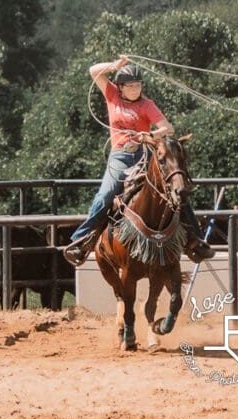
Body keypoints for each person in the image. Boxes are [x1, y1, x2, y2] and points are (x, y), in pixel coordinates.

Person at [63, 55, 214, 266]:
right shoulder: (112, 95)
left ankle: (195, 239)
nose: (135, 89)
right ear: (121, 87)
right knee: (106, 193)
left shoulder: (147, 104)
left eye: (138, 85)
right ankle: (81, 239)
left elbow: (167, 128)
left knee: (176, 188)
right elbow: (93, 70)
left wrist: (151, 136)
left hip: (144, 154)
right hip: (120, 156)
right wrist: (115, 65)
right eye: (131, 85)